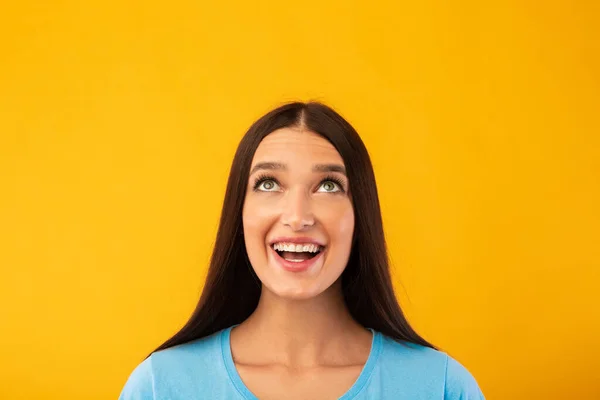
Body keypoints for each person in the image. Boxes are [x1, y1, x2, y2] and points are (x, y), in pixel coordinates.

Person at [119, 102, 485, 399]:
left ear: (361, 217)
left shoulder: (442, 388)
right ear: (239, 212)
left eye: (328, 186)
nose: (297, 217)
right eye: (267, 183)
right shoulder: (158, 387)